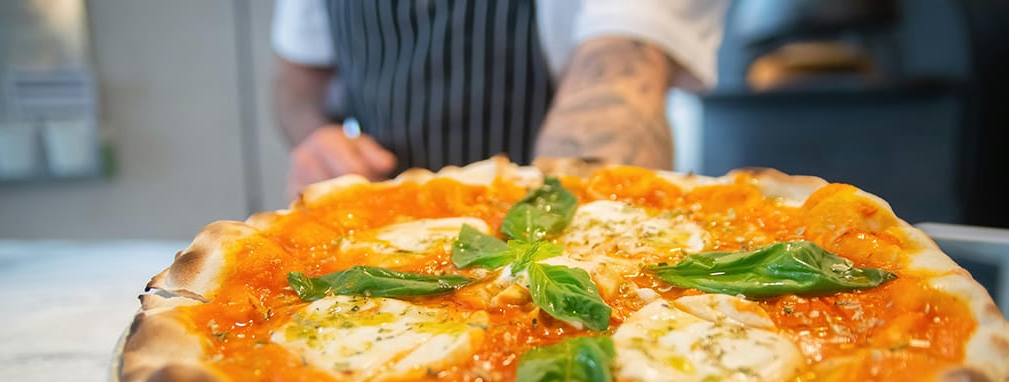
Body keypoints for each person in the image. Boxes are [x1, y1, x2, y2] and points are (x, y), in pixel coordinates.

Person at [272, 0, 727, 195]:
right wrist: (320, 142)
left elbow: (619, 82)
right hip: (377, 237)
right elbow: (296, 89)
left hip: (559, 203)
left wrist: (573, 253)